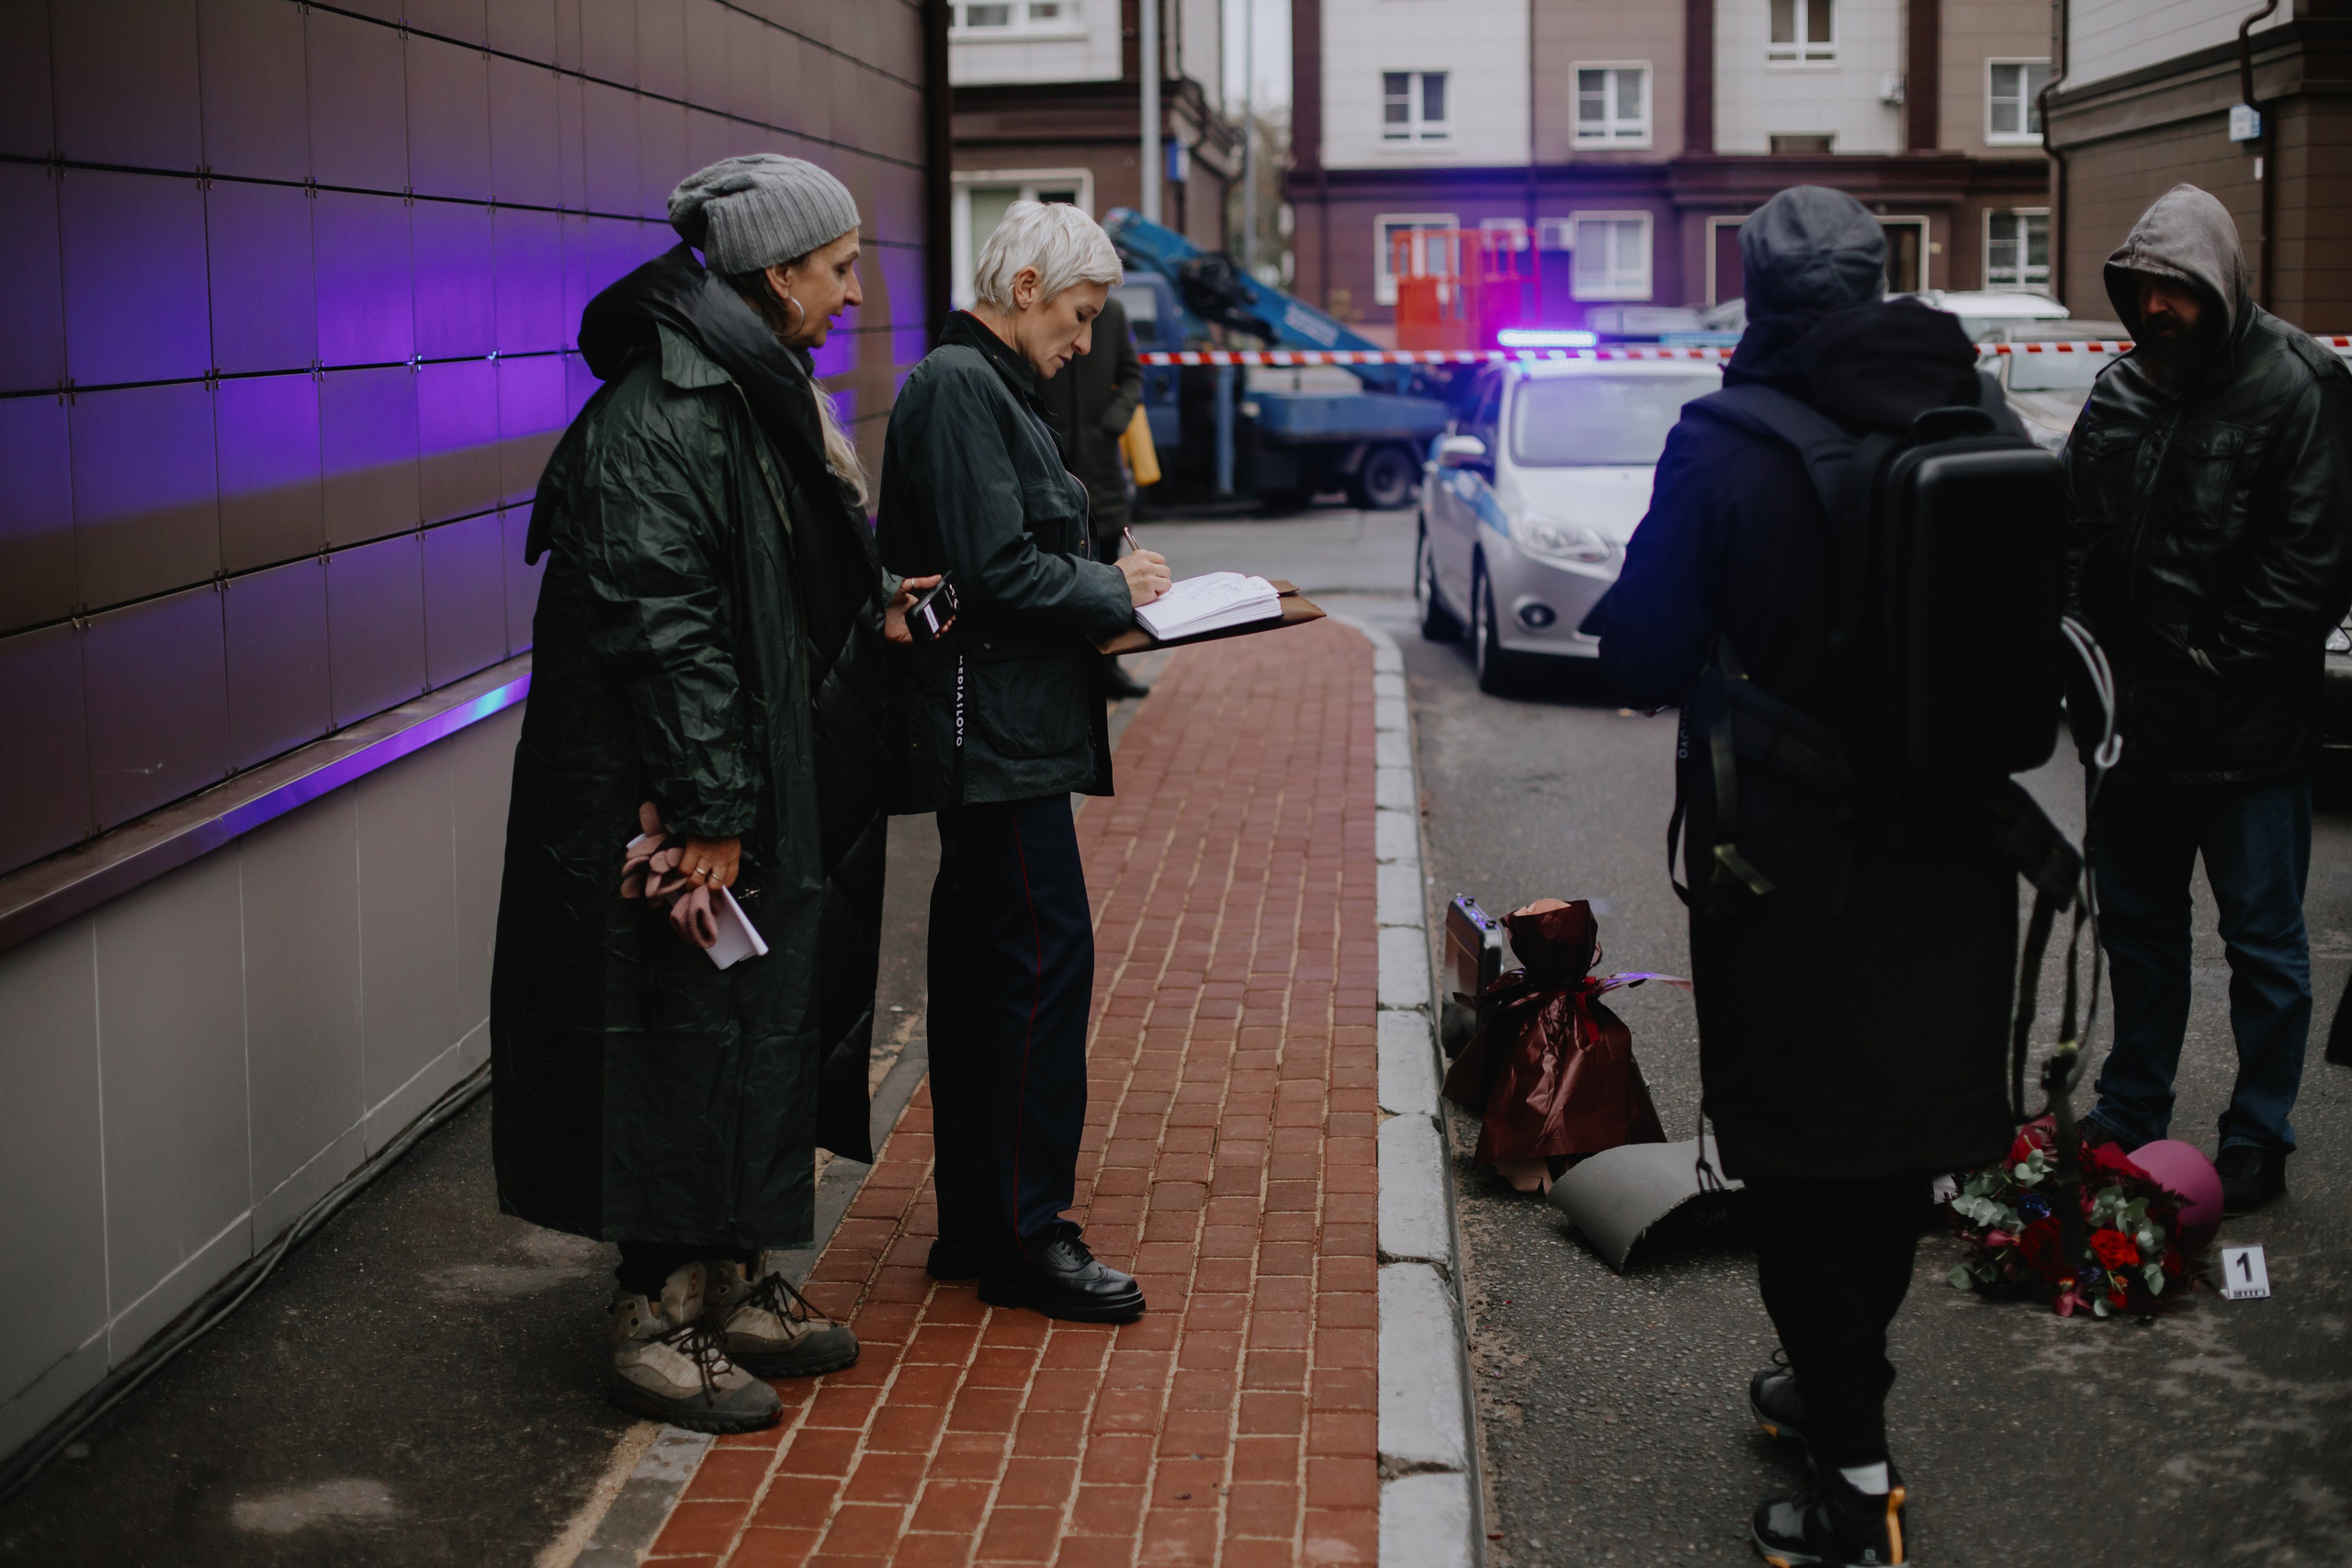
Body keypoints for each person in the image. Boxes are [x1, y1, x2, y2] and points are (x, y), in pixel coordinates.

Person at [1594, 186, 2029, 1567]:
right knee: (1896, 1149)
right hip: (1957, 859)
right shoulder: (1979, 410)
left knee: (1796, 1164)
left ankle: (1853, 1486)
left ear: (1757, 296)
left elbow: (1640, 650)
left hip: (1786, 866)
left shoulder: (1725, 442)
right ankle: (1832, 1385)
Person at [490, 154, 947, 1432]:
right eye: (839, 268)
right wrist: (710, 811)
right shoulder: (666, 415)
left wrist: (878, 600)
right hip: (676, 808)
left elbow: (771, 574)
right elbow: (665, 630)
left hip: (751, 779)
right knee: (676, 1043)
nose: (855, 293)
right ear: (777, 272)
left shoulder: (749, 391)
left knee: (747, 1030)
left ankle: (731, 1277)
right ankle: (655, 1312)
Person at [878, 200, 1171, 1322]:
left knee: (987, 981)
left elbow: (1003, 556)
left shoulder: (982, 386)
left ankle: (980, 1224)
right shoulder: (965, 388)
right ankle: (1023, 1236)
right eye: (1079, 314)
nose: (1084, 342)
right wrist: (1112, 588)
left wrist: (1106, 578)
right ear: (1026, 287)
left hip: (1001, 732)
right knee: (1038, 975)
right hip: (993, 738)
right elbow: (995, 571)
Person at [2067, 184, 2352, 1213]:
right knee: (2138, 934)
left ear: (2221, 284)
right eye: (2142, 288)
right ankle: (2130, 1106)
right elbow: (2070, 538)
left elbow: (2314, 564)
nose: (2156, 307)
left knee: (2264, 947)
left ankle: (2257, 1134)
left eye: (2177, 288)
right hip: (2129, 736)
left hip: (2246, 738)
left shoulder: (2301, 385)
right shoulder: (2117, 390)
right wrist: (2078, 661)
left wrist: (2210, 663)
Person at [1040, 285, 1151, 698]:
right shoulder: (1049, 312)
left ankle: (1110, 666)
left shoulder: (1113, 314)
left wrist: (1113, 423)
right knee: (1063, 565)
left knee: (1111, 565)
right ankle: (1073, 668)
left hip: (1101, 467)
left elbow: (1132, 375)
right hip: (1053, 462)